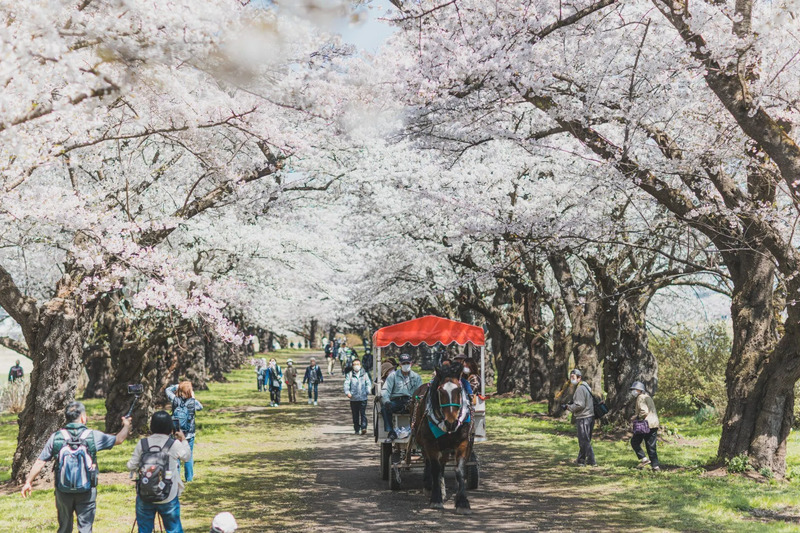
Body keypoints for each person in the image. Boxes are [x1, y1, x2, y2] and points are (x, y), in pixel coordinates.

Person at [21, 401, 131, 533]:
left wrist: (28, 482)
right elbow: (119, 439)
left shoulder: (56, 437)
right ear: (83, 418)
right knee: (85, 528)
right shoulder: (92, 436)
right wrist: (126, 425)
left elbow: (40, 461)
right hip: (87, 490)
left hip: (63, 490)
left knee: (64, 527)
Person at [127, 411, 192, 533]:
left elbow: (131, 465)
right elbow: (187, 457)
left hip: (145, 493)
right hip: (168, 494)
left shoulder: (143, 443)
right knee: (173, 529)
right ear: (170, 427)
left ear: (152, 426)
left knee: (144, 529)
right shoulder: (174, 444)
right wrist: (183, 439)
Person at [166, 382, 203, 482]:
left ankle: (176, 477)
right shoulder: (193, 402)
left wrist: (177, 386)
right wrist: (193, 397)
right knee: (188, 455)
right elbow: (200, 407)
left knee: (176, 456)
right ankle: (189, 478)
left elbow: (167, 390)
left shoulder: (174, 399)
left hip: (176, 433)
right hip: (189, 433)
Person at [381, 353, 422, 441]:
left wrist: (418, 402)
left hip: (412, 401)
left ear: (411, 363)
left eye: (407, 363)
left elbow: (420, 392)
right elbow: (385, 390)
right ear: (400, 364)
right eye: (404, 363)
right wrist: (386, 401)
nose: (406, 365)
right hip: (397, 401)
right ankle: (391, 432)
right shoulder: (393, 376)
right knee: (385, 408)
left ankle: (418, 432)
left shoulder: (416, 377)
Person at [564, 369, 596, 467]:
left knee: (583, 440)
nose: (571, 379)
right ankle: (587, 460)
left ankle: (585, 461)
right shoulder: (586, 387)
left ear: (579, 378)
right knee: (586, 440)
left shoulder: (580, 389)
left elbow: (580, 405)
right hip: (590, 416)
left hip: (583, 417)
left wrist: (568, 407)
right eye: (571, 377)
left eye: (573, 377)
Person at [630, 381, 660, 471]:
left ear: (639, 390)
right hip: (654, 423)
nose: (633, 391)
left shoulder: (640, 398)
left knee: (634, 442)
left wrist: (636, 417)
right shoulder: (648, 397)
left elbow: (644, 411)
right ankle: (655, 466)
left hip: (645, 424)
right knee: (651, 445)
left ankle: (644, 459)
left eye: (634, 389)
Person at [344, 358, 372, 435]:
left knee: (363, 413)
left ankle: (363, 427)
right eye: (354, 364)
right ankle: (357, 428)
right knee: (355, 415)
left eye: (358, 364)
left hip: (363, 398)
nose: (356, 366)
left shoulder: (365, 374)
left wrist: (367, 391)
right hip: (353, 399)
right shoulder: (349, 375)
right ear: (352, 366)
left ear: (360, 365)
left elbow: (368, 383)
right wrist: (347, 392)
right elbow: (346, 384)